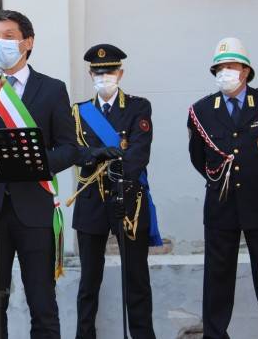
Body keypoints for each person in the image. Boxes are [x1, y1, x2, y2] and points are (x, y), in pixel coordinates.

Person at [0, 10, 108, 338]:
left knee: (43, 305)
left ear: (28, 42)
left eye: (8, 36)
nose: (1, 43)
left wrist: (34, 164)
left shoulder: (51, 89)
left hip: (35, 209)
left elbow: (68, 147)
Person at [187, 37, 258, 339]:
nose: (225, 72)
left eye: (231, 66)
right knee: (217, 281)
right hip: (221, 204)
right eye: (220, 67)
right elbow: (200, 159)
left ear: (246, 70)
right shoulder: (201, 110)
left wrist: (255, 178)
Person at [71, 44, 159, 339]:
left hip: (128, 200)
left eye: (109, 71)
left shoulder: (138, 107)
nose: (103, 76)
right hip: (91, 200)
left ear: (120, 73)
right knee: (88, 283)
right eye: (98, 72)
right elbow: (74, 152)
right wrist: (97, 153)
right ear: (90, 73)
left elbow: (139, 152)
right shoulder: (78, 112)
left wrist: (110, 162)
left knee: (136, 280)